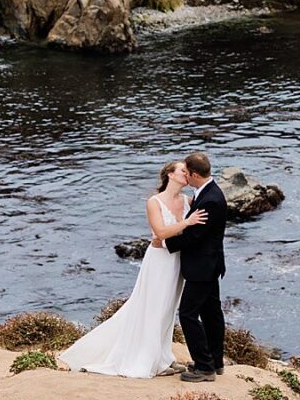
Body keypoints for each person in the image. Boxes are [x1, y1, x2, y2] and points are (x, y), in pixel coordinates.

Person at [59, 161, 209, 377]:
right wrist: (187, 223)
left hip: (178, 260)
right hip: (159, 262)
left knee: (168, 309)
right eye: (182, 171)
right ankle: (149, 360)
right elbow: (160, 232)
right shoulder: (154, 202)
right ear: (170, 174)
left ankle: (163, 356)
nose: (187, 174)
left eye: (188, 171)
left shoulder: (188, 200)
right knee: (153, 307)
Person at [164, 152, 228, 382]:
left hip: (202, 266)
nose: (185, 177)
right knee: (211, 313)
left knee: (188, 314)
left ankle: (204, 367)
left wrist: (165, 242)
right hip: (210, 264)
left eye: (186, 173)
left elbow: (195, 236)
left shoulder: (210, 200)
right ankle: (215, 361)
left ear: (194, 174)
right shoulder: (208, 192)